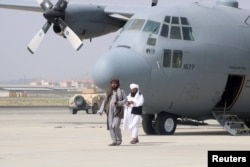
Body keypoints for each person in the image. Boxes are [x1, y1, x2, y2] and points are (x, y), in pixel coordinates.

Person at [98, 78, 126, 146]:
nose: (113, 85)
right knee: (111, 126)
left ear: (118, 84)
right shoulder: (109, 92)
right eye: (112, 83)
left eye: (115, 83)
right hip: (109, 111)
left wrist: (119, 103)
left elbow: (125, 100)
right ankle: (114, 141)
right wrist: (101, 110)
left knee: (115, 125)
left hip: (118, 111)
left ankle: (119, 139)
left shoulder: (121, 92)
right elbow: (105, 101)